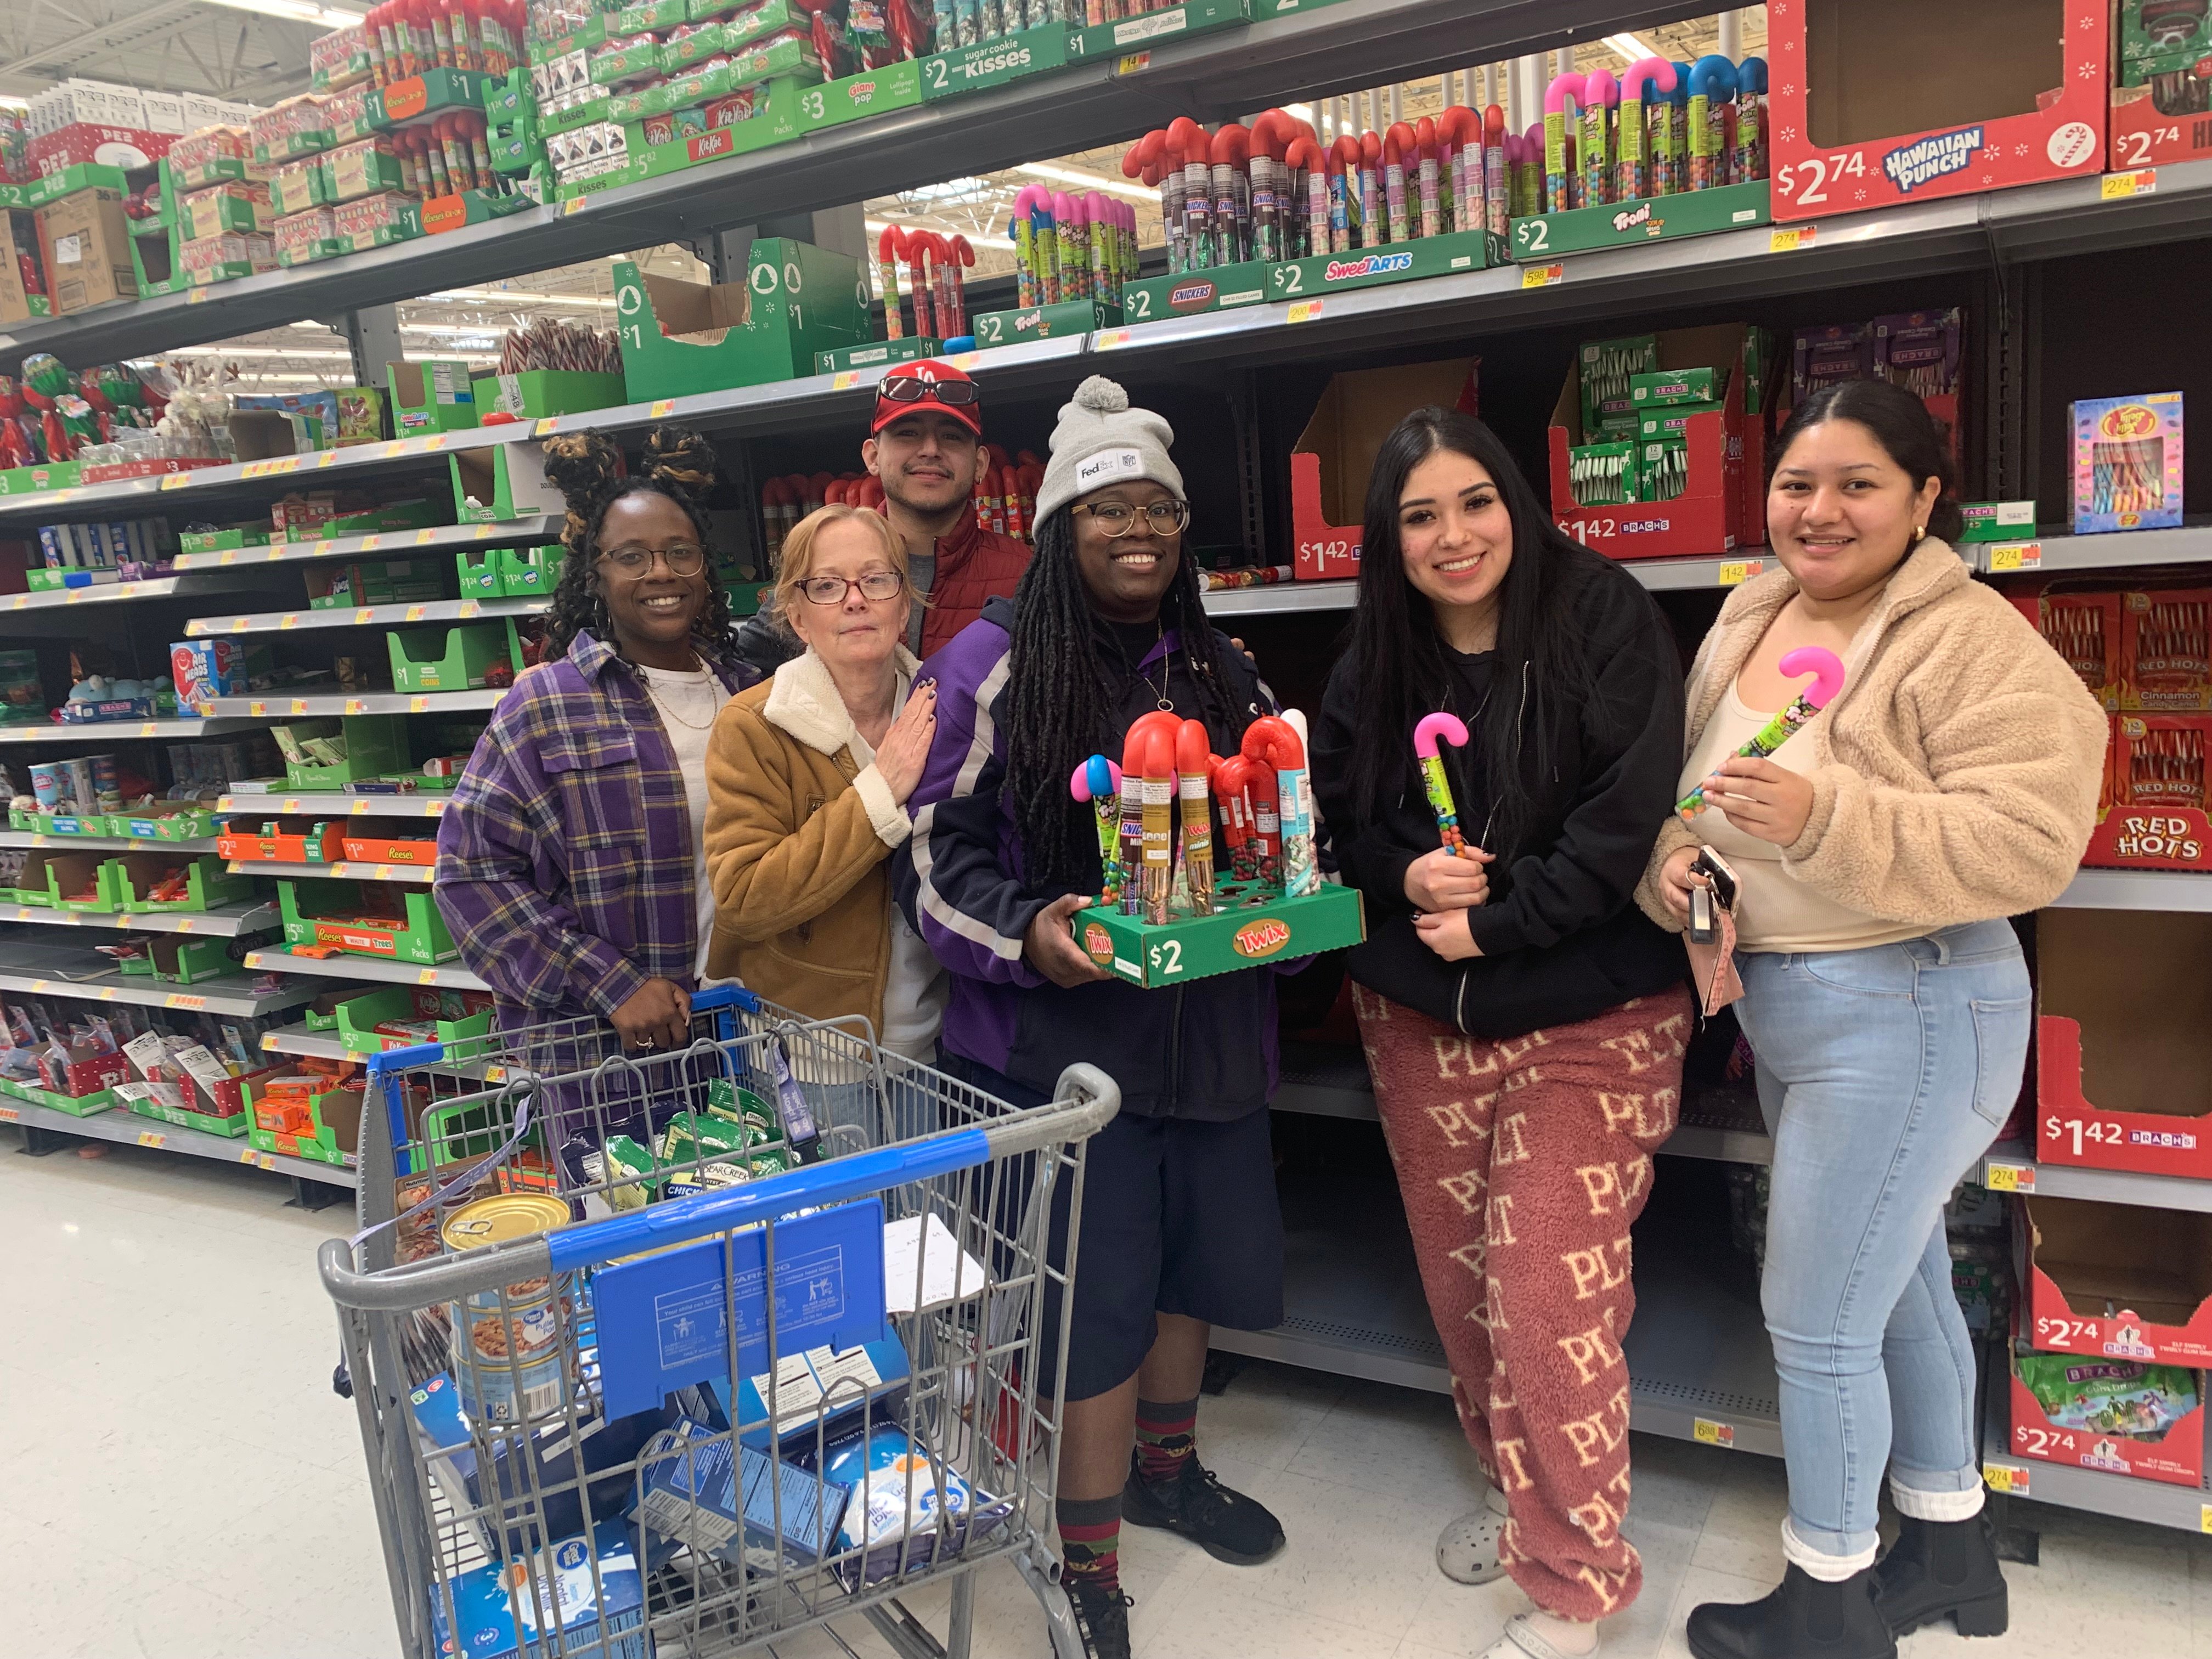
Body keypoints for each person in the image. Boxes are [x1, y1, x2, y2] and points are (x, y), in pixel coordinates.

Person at [1640, 380, 2106, 1659]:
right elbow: (1698, 804)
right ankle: (1954, 1553)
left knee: (1816, 1318)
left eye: (1858, 484)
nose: (1821, 510)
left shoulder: (1970, 638)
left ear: (1923, 501)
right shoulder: (1751, 617)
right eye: (1798, 484)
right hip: (1790, 1008)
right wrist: (1676, 865)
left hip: (1912, 1002)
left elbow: (2033, 842)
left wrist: (1831, 820)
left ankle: (1830, 1607)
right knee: (1892, 1289)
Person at [896, 375, 1286, 1659]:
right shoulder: (987, 663)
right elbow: (935, 873)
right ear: (1063, 527)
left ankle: (1169, 1474)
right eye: (1108, 510)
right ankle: (1084, 1556)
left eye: (1158, 514)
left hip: (1208, 1039)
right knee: (1092, 1302)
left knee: (1189, 1278)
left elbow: (1272, 831)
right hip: (1064, 1059)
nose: (1138, 533)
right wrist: (1037, 936)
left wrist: (1289, 888)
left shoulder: (1222, 664)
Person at [1310, 407, 1692, 1659]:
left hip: (1595, 1009)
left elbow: (1625, 820)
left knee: (1539, 1297)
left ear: (1516, 504)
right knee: (1464, 1292)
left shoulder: (1603, 617)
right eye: (1420, 515)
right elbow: (1347, 829)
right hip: (1422, 1018)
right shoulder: (1376, 662)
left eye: (1474, 502)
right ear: (1391, 539)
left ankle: (1578, 1582)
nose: (1453, 535)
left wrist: (1505, 923)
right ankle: (1523, 1495)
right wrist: (1413, 880)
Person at [436, 426, 755, 1049]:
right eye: (631, 557)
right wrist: (608, 983)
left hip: (743, 1028)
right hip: (604, 1053)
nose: (661, 572)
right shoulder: (547, 705)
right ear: (596, 575)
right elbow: (468, 876)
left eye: (680, 552)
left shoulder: (750, 695)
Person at [702, 503, 944, 1069]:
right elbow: (741, 897)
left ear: (903, 602)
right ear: (798, 616)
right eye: (828, 585)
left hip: (937, 1046)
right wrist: (879, 794)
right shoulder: (755, 725)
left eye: (877, 579)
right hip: (815, 1058)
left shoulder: (943, 707)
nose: (856, 599)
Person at [733, 359, 1030, 674]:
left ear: (981, 463)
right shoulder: (821, 558)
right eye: (908, 434)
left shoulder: (1027, 575)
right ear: (873, 457)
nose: (930, 449)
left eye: (952, 437)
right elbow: (744, 671)